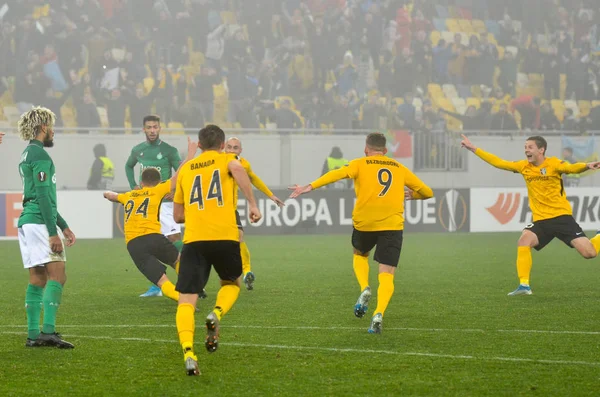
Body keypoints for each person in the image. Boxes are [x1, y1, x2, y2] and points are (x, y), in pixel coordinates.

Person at [289, 132, 434, 334]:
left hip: (365, 222)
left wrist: (309, 186)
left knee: (359, 253)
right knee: (387, 274)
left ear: (366, 149)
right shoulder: (400, 168)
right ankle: (378, 314)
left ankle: (365, 287)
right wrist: (414, 196)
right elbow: (428, 192)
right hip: (392, 225)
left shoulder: (359, 163)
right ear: (385, 150)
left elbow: (336, 174)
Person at [460, 134, 600, 295]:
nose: (526, 150)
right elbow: (499, 163)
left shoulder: (553, 163)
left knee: (589, 253)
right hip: (541, 220)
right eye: (525, 147)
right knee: (524, 240)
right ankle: (524, 286)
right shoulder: (523, 166)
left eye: (530, 147)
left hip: (561, 217)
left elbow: (570, 168)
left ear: (541, 150)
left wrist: (587, 165)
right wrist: (473, 149)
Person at [173, 124, 262, 376]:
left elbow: (178, 215)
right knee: (231, 284)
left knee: (186, 302)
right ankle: (216, 313)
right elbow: (236, 168)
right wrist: (252, 204)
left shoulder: (186, 169)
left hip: (194, 239)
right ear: (223, 145)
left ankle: (189, 352)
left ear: (199, 145)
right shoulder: (228, 159)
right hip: (224, 236)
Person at [102, 138, 196, 302]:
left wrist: (107, 194)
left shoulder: (128, 196)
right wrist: (189, 156)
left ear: (141, 182)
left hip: (134, 245)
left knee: (162, 282)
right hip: (154, 237)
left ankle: (183, 301)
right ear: (158, 182)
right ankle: (192, 288)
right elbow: (178, 175)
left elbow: (111, 196)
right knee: (177, 260)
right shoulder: (158, 190)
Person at [17, 106, 77, 349]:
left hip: (27, 221)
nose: (53, 131)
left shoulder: (26, 154)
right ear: (43, 128)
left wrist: (63, 226)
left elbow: (40, 196)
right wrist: (53, 231)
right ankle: (48, 331)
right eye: (51, 127)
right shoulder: (41, 156)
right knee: (58, 274)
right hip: (40, 222)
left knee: (38, 277)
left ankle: (34, 334)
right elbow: (43, 196)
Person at [125, 115, 191, 298]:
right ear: (144, 129)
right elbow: (128, 166)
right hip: (147, 204)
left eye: (155, 127)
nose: (152, 130)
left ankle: (189, 280)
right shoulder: (138, 150)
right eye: (149, 127)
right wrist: (133, 186)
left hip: (167, 203)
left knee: (174, 238)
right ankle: (157, 285)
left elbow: (181, 171)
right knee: (149, 243)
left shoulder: (169, 150)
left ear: (160, 128)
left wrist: (176, 189)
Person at [224, 137, 284, 290]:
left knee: (239, 237)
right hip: (211, 210)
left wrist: (271, 195)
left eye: (235, 148)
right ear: (224, 147)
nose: (231, 150)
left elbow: (253, 179)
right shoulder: (217, 162)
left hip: (230, 210)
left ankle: (247, 272)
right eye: (229, 147)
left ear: (240, 150)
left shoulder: (243, 164)